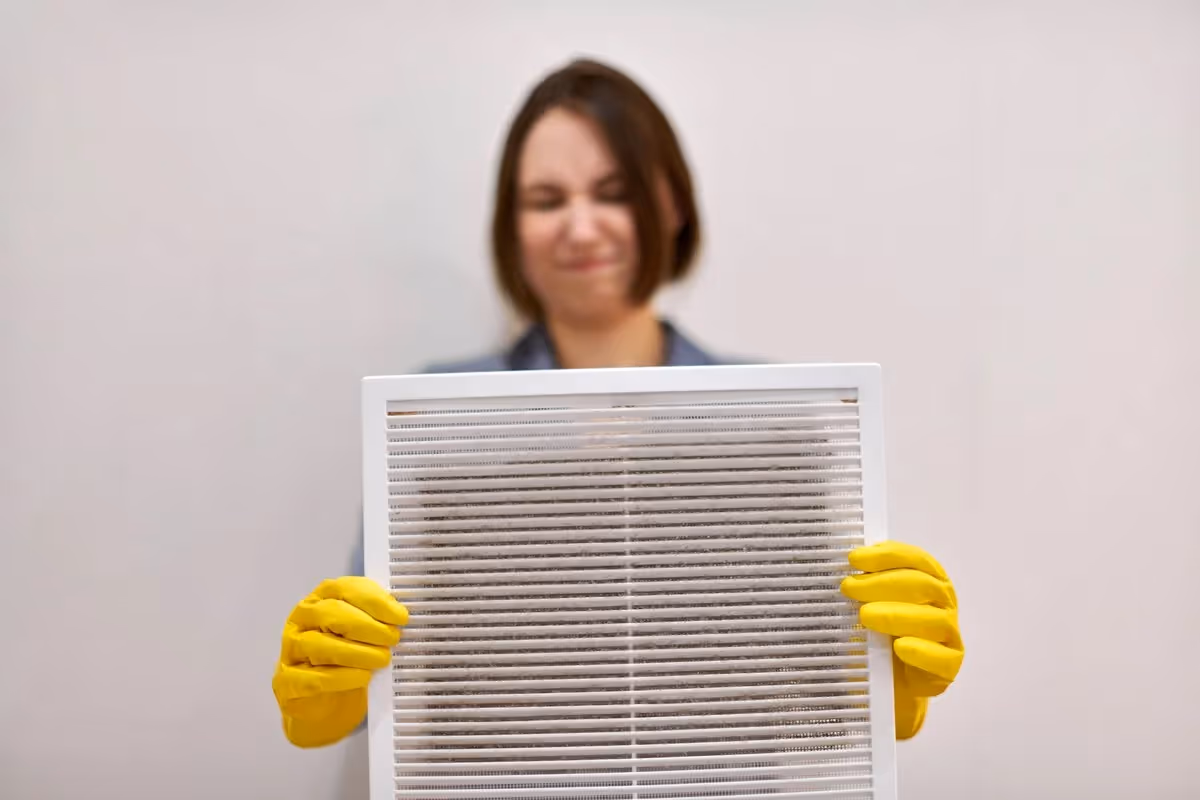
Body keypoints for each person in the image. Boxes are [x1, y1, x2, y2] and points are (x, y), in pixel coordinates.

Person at [271, 58, 964, 750]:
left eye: (613, 192)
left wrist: (875, 685)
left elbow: (803, 695)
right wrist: (330, 684)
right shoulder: (425, 423)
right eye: (546, 200)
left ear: (670, 205)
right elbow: (375, 682)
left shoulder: (777, 423)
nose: (580, 227)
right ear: (512, 227)